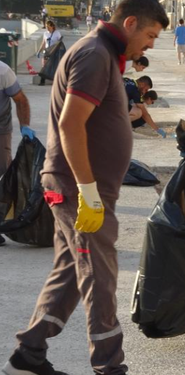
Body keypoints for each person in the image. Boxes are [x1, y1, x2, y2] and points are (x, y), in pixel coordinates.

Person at [0, 1, 168, 373]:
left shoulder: (103, 54)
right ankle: (110, 367)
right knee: (100, 275)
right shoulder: (95, 55)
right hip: (78, 190)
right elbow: (70, 124)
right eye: (150, 35)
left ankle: (28, 354)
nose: (151, 45)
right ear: (129, 23)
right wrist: (88, 192)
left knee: (70, 272)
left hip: (81, 188)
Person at [0, 60, 34, 246]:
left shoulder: (3, 71)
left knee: (3, 174)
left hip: (0, 130)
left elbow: (20, 100)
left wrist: (25, 126)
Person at [37, 21, 63, 86]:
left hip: (54, 51)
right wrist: (39, 51)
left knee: (54, 66)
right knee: (44, 66)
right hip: (47, 51)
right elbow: (43, 43)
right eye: (46, 27)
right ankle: (42, 81)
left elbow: (60, 43)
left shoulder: (57, 33)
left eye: (48, 27)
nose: (47, 29)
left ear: (52, 27)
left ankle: (56, 81)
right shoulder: (45, 33)